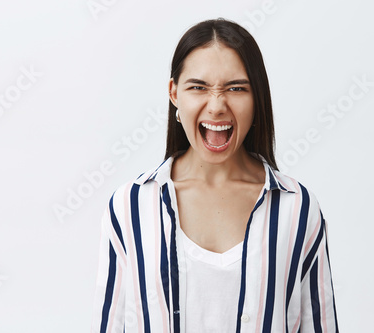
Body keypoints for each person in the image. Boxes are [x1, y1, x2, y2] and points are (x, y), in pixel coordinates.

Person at [91, 18, 339, 332]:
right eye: (198, 87)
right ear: (174, 93)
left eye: (235, 88)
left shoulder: (298, 208)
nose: (217, 106)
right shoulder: (130, 206)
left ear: (256, 98)